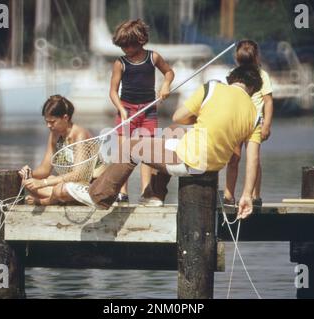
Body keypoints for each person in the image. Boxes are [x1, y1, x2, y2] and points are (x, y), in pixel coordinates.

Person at [66, 65, 263, 219]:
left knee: (131, 146)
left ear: (231, 80)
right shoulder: (255, 115)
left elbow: (179, 116)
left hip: (189, 160)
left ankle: (98, 196)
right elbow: (253, 159)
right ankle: (154, 195)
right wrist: (246, 195)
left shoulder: (212, 88)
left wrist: (201, 115)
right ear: (252, 89)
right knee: (171, 132)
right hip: (211, 167)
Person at [110, 19, 175, 206]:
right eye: (122, 46)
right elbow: (113, 91)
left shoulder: (153, 57)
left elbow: (169, 72)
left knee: (147, 152)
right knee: (123, 151)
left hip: (148, 109)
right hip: (127, 109)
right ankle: (122, 193)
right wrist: (121, 109)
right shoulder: (120, 63)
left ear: (139, 41)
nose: (125, 49)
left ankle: (147, 191)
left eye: (127, 45)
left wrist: (165, 85)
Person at [18, 95, 106, 205]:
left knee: (59, 189)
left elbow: (78, 175)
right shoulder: (55, 134)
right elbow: (45, 169)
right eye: (47, 122)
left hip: (92, 186)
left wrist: (43, 183)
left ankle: (45, 201)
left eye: (52, 122)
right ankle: (58, 198)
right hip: (71, 185)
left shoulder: (79, 134)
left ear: (65, 118)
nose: (48, 126)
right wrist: (28, 174)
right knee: (28, 183)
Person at [224, 40, 273, 208]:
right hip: (236, 121)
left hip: (255, 122)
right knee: (233, 158)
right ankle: (228, 195)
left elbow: (268, 101)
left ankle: (254, 195)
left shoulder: (262, 75)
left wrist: (266, 124)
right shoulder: (233, 74)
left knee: (254, 160)